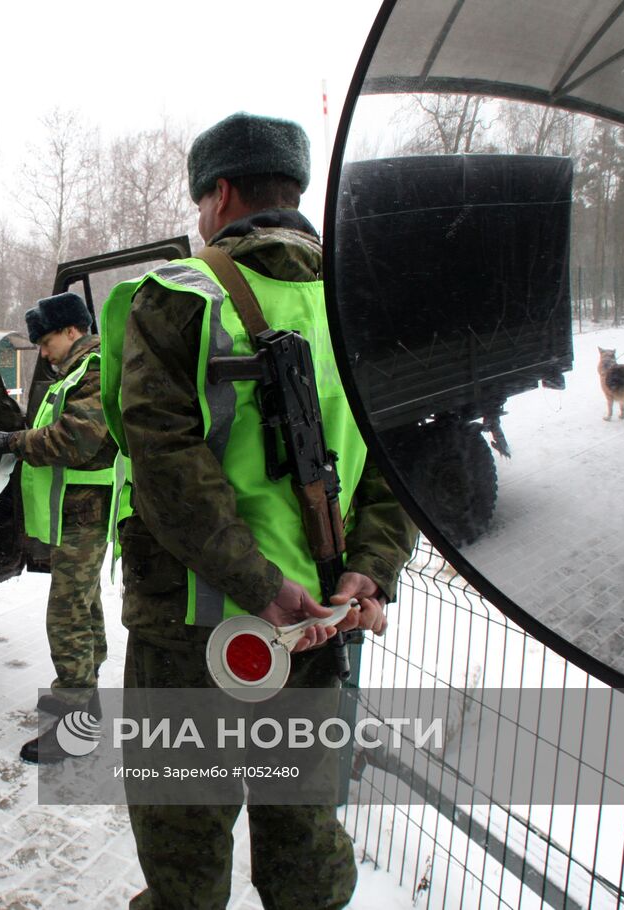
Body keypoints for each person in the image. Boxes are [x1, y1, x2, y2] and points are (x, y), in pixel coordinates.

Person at [98, 112, 417, 909]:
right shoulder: (367, 303)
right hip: (318, 627)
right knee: (303, 837)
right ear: (294, 191)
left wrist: (256, 582)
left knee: (184, 851)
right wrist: (367, 575)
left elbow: (167, 471)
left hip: (194, 637)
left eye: (202, 199)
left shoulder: (178, 296)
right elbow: (403, 469)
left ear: (223, 193)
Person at [0, 292, 122, 764]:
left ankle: (74, 728)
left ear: (72, 331)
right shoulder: (76, 372)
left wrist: (11, 442)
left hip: (86, 516)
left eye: (47, 340)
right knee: (81, 606)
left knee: (67, 616)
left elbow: (76, 438)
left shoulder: (93, 370)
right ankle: (86, 699)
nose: (43, 350)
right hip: (77, 515)